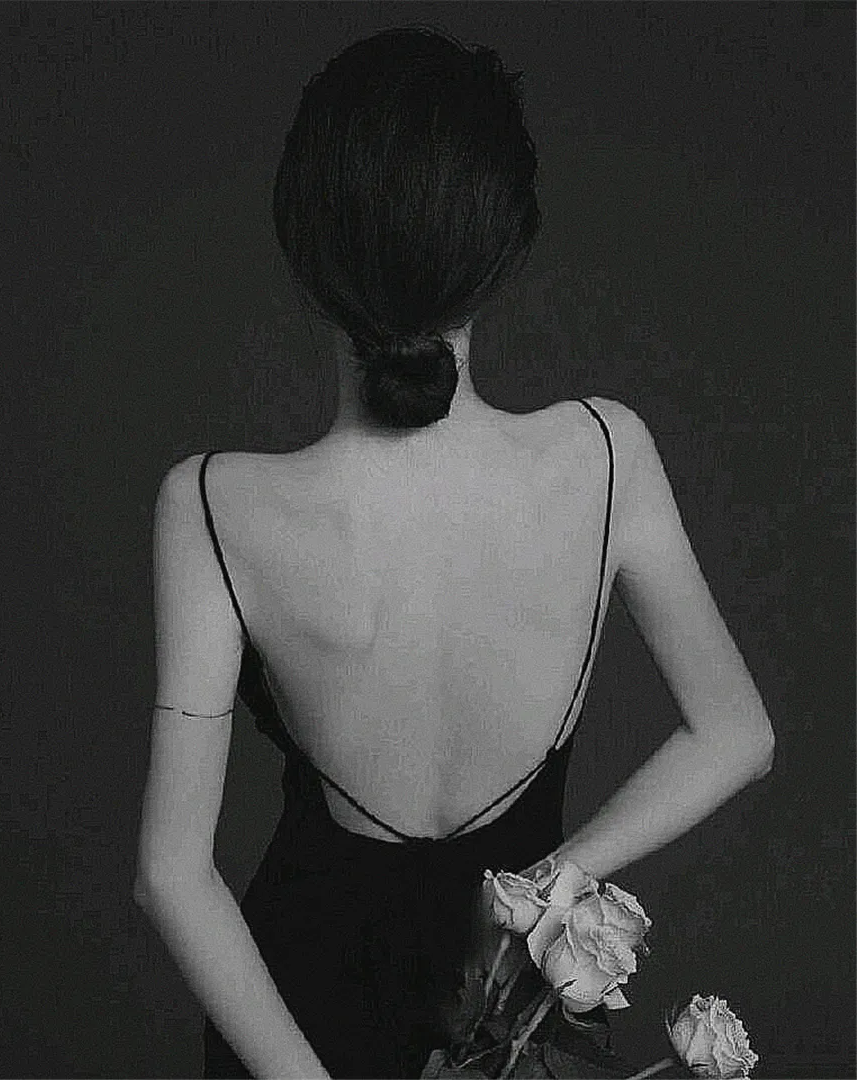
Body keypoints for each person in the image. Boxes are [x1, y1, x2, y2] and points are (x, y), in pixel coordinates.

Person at [135, 26, 774, 1080]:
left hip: (288, 1021)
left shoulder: (212, 506)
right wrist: (548, 887)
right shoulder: (605, 455)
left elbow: (172, 874)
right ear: (502, 248)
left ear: (305, 251)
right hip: (509, 1027)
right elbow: (736, 733)